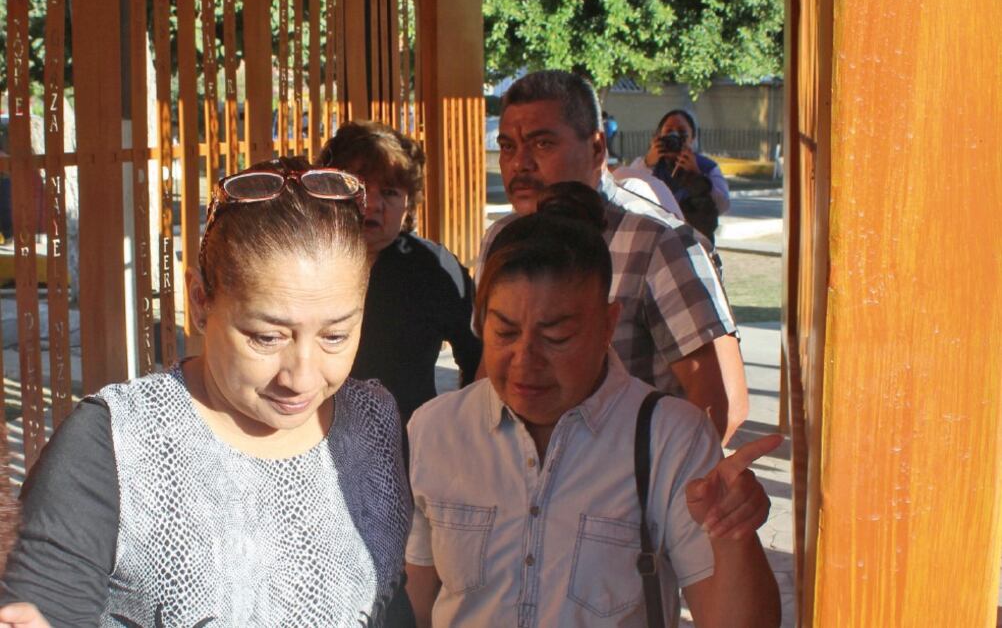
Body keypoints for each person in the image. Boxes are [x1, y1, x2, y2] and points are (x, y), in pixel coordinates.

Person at [0, 157, 412, 626]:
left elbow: (389, 599)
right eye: (266, 337)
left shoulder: (374, 419)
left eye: (335, 336)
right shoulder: (115, 445)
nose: (300, 376)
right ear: (200, 301)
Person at [405, 193, 781, 627]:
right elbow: (415, 601)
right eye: (505, 331)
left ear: (608, 324)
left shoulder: (670, 438)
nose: (526, 361)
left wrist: (732, 532)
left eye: (557, 337)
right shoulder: (436, 430)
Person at [480, 70, 748, 444]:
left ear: (596, 149)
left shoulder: (659, 243)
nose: (519, 163)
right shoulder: (499, 239)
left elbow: (721, 406)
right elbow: (487, 378)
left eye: (542, 145)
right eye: (507, 147)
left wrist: (655, 490)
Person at [318, 121, 482, 424]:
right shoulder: (303, 261)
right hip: (315, 435)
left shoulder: (434, 267)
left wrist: (463, 428)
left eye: (390, 192)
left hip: (410, 443)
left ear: (408, 204)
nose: (374, 204)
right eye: (360, 187)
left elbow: (479, 357)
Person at [628, 109, 731, 244]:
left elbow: (723, 206)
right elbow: (628, 196)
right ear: (658, 136)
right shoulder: (644, 165)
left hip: (695, 241)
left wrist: (697, 176)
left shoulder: (707, 167)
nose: (674, 137)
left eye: (682, 133)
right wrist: (647, 164)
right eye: (668, 131)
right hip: (656, 241)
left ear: (692, 138)